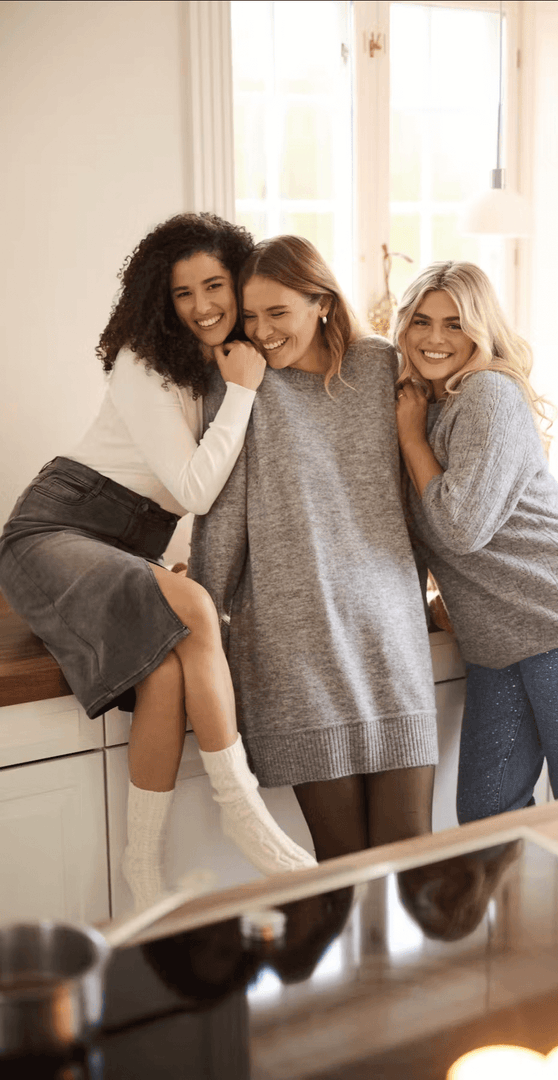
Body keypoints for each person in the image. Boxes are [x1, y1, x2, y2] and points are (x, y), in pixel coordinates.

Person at [0, 213, 316, 910]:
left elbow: (185, 493)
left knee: (168, 672)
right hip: (51, 529)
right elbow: (193, 488)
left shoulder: (225, 364)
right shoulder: (143, 363)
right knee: (197, 607)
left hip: (122, 547)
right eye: (183, 293)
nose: (203, 305)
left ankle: (141, 873)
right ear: (159, 301)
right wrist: (242, 392)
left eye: (215, 286)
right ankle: (246, 816)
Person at [189, 235, 438, 861]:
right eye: (250, 316)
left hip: (389, 635)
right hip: (294, 645)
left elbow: (417, 487)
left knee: (409, 851)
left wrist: (440, 586)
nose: (262, 332)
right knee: (342, 864)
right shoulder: (243, 386)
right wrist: (200, 615)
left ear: (321, 302)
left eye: (279, 313)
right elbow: (222, 516)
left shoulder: (382, 366)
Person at [392, 261, 558, 823]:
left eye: (454, 324)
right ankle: (518, 915)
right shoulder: (422, 402)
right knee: (487, 813)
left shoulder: (487, 394)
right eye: (421, 321)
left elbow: (460, 526)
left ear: (480, 329)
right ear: (403, 327)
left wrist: (409, 436)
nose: (434, 339)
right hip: (497, 640)